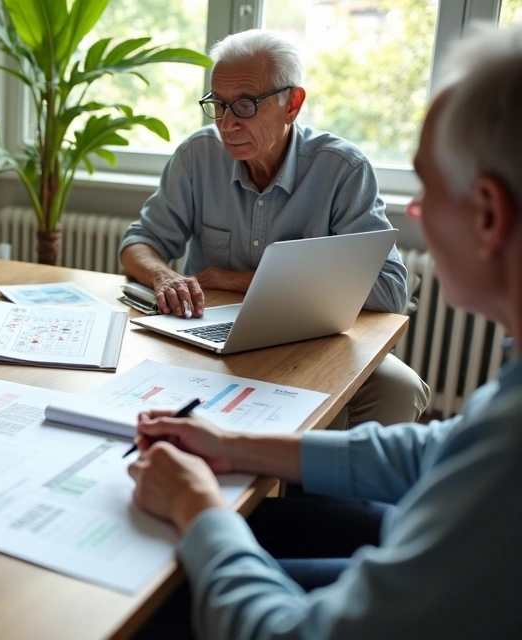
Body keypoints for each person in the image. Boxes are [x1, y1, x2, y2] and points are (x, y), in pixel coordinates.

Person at [128, 24, 522, 639]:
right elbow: (440, 450)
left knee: (152, 599)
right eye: (219, 105)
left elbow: (296, 634)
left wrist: (197, 506)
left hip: (322, 348)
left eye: (427, 189)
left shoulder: (339, 167)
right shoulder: (511, 386)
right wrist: (234, 446)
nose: (414, 213)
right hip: (220, 351)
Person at [119, 29, 428, 429]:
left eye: (245, 105)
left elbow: (390, 290)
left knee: (400, 389)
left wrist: (239, 280)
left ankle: (329, 485)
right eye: (218, 104)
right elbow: (139, 241)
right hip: (210, 336)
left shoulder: (341, 169)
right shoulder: (198, 155)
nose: (227, 124)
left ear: (292, 104)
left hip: (313, 342)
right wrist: (164, 276)